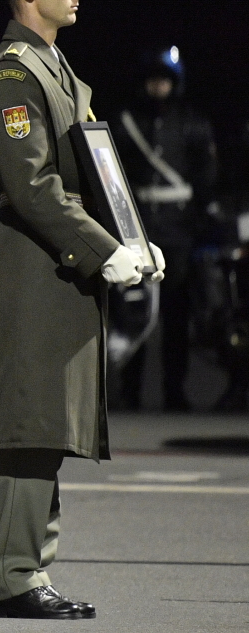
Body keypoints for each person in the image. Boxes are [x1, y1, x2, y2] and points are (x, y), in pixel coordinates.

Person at [0, 0, 163, 620]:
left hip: (63, 263)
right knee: (28, 422)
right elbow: (33, 186)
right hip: (37, 264)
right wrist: (102, 247)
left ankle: (28, 570)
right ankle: (14, 577)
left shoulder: (56, 68)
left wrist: (132, 238)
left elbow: (95, 173)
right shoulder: (12, 76)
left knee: (46, 422)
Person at [113, 47, 217, 411]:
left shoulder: (192, 122)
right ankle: (129, 390)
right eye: (153, 79)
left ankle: (174, 389)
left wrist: (195, 225)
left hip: (177, 231)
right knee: (132, 308)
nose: (158, 86)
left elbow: (206, 178)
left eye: (165, 80)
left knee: (176, 317)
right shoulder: (128, 122)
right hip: (138, 227)